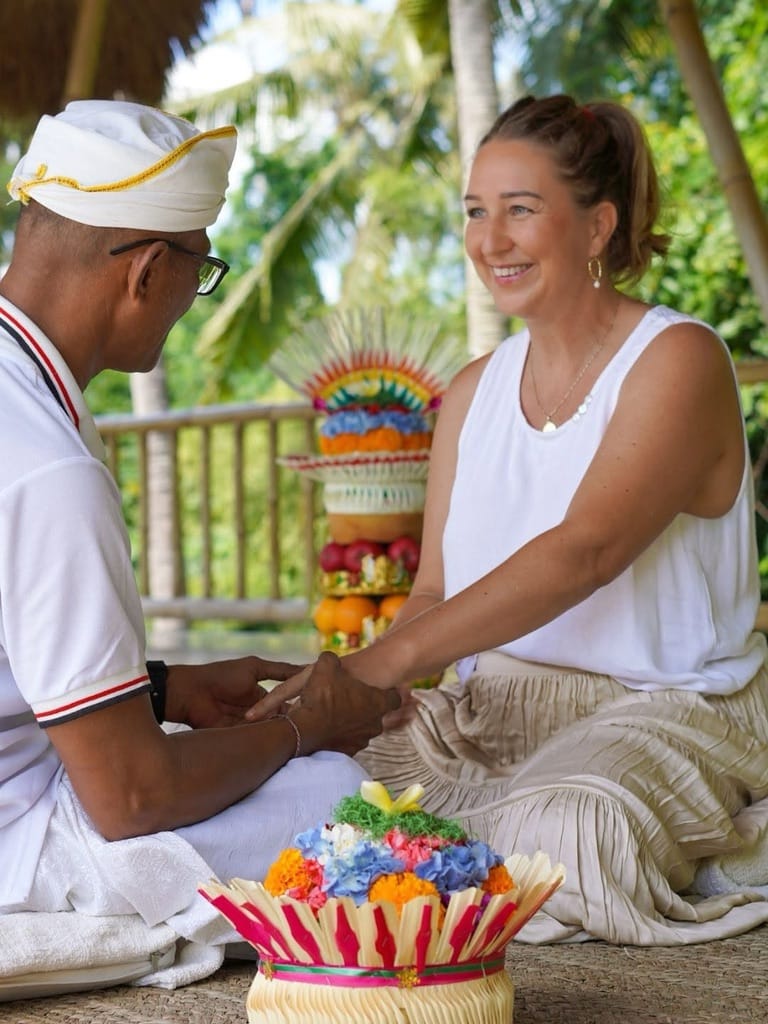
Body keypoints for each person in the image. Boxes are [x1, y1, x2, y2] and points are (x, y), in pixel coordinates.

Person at [256, 94, 768, 944]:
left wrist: (380, 664)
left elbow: (586, 550)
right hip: (490, 707)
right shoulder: (469, 392)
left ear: (599, 225)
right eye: (475, 212)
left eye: (520, 211)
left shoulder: (678, 359)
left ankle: (733, 838)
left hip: (665, 708)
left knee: (565, 833)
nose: (489, 240)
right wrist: (341, 697)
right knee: (299, 788)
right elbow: (432, 594)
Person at [0, 99, 399, 981]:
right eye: (201, 268)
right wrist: (304, 727)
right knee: (333, 797)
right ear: (146, 270)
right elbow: (130, 798)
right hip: (15, 843)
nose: (192, 293)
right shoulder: (46, 466)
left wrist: (167, 686)